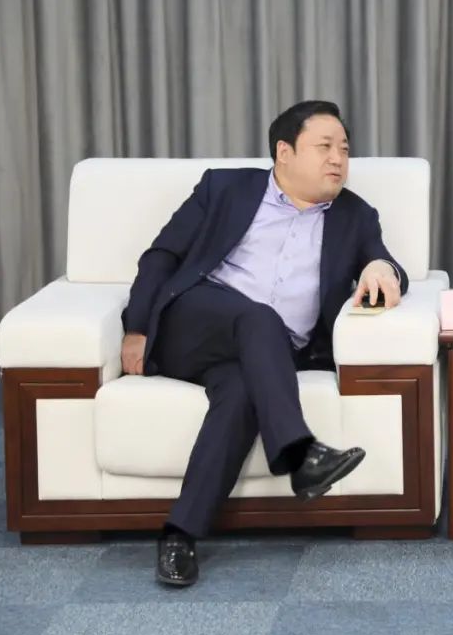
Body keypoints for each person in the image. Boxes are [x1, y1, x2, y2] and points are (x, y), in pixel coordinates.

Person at [121, 100, 408, 586]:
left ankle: (179, 535)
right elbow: (162, 256)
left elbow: (384, 262)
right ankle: (299, 455)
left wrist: (382, 268)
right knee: (258, 316)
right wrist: (136, 327)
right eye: (324, 146)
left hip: (266, 354)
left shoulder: (356, 215)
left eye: (344, 149)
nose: (338, 159)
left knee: (239, 396)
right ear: (284, 152)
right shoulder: (224, 188)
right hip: (194, 324)